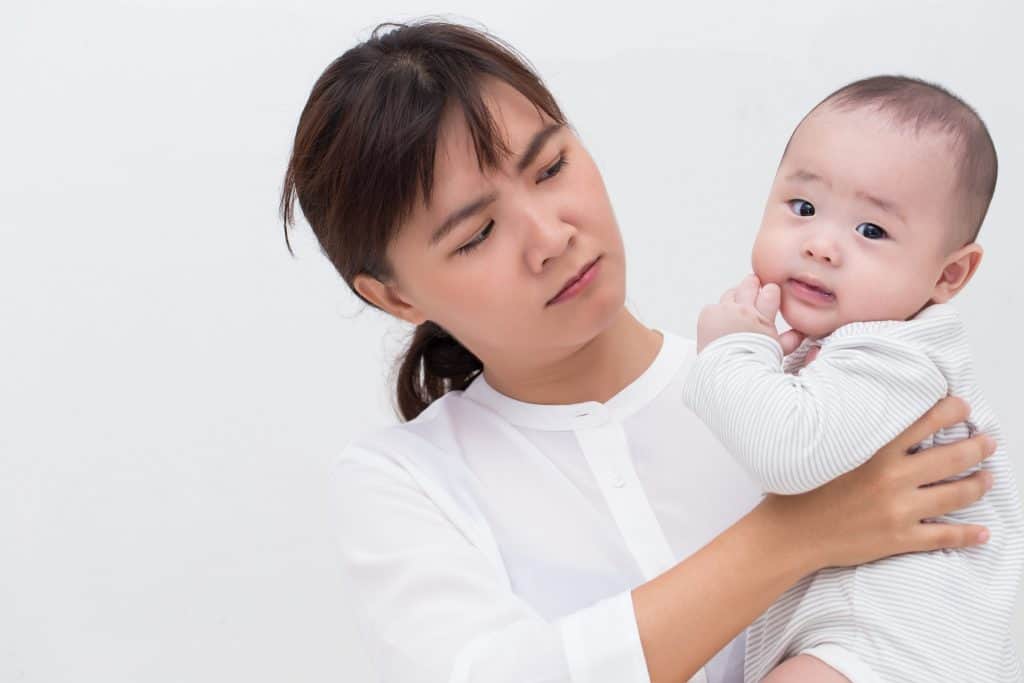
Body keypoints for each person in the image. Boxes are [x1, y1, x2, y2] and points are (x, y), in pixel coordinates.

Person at [278, 20, 997, 683]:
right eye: (475, 234)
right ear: (395, 297)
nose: (551, 235)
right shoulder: (401, 483)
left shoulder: (794, 395)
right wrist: (796, 535)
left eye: (551, 167)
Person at [681, 76, 1024, 681]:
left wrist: (734, 348)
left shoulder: (898, 356)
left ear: (949, 275)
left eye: (871, 231)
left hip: (884, 647)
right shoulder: (863, 348)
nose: (821, 245)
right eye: (804, 208)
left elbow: (785, 452)